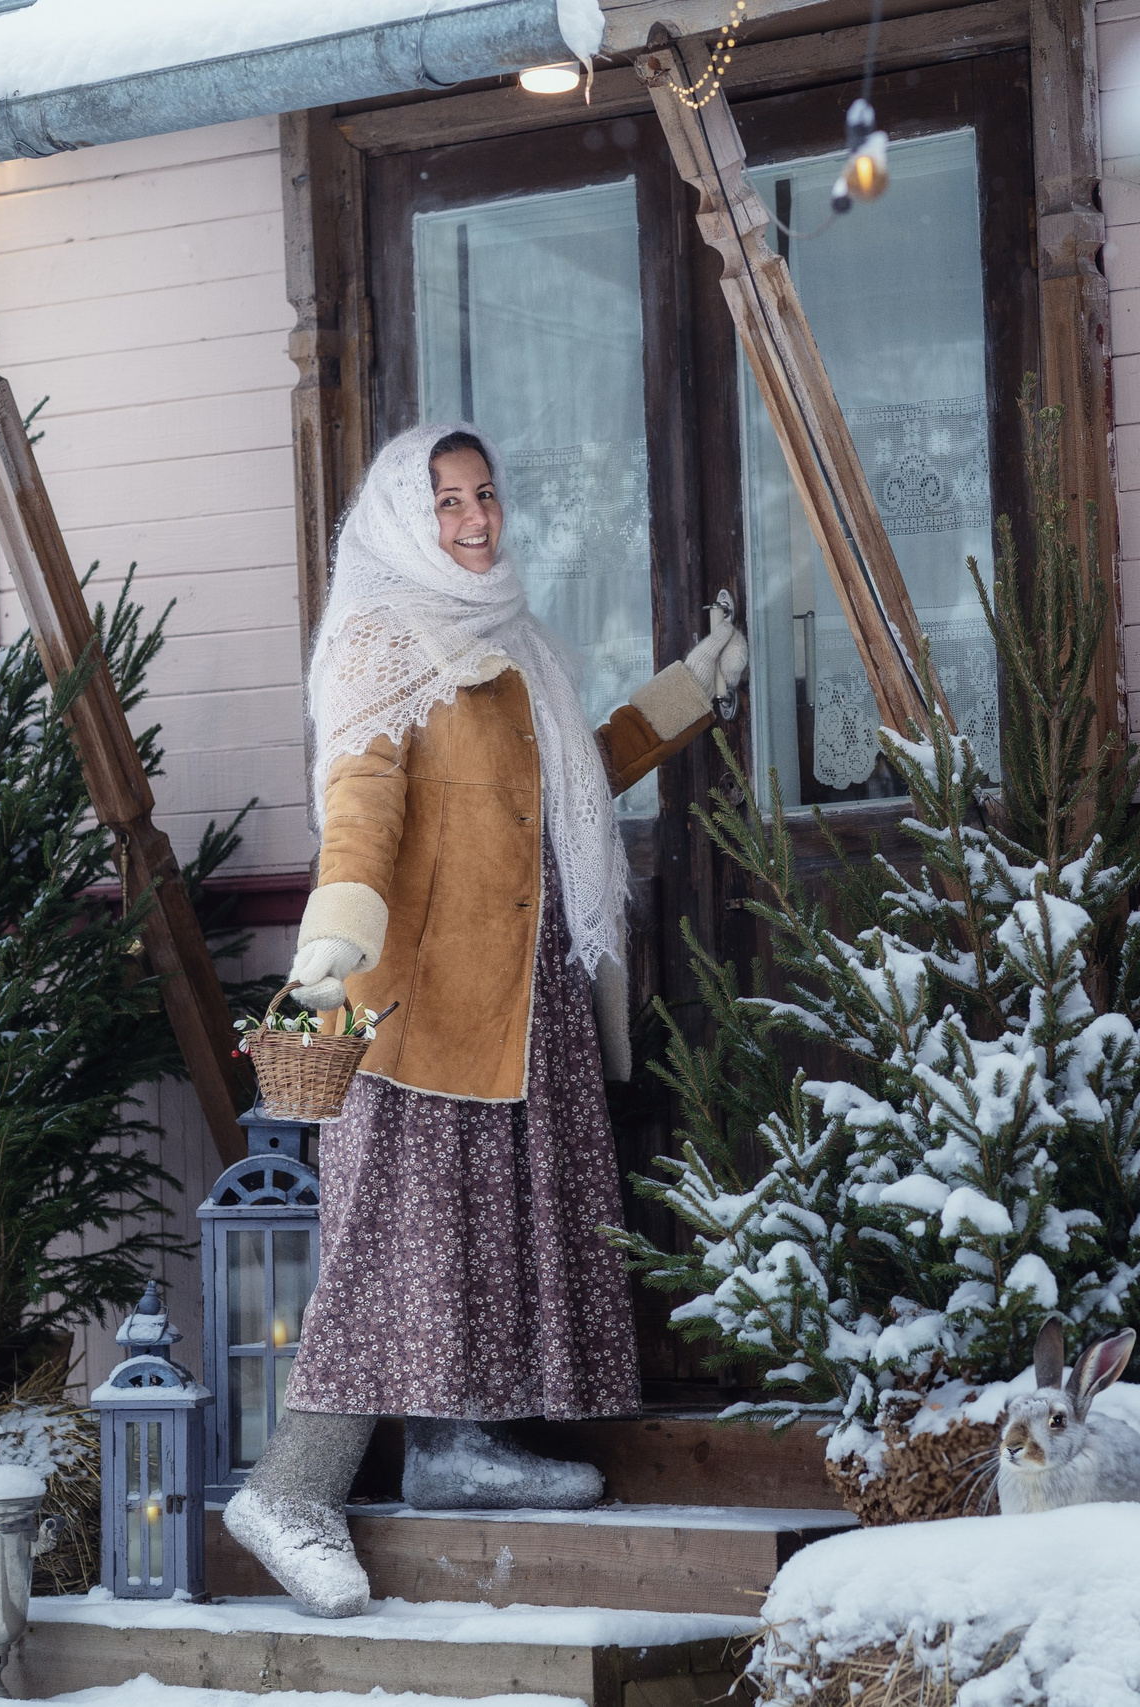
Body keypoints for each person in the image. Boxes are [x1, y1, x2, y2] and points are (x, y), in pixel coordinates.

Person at [223, 423, 747, 1616]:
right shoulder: (380, 642)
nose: (473, 518)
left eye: (486, 495)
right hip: (420, 1004)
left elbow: (574, 771)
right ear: (406, 517)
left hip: (523, 993)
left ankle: (460, 1449)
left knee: (495, 1231)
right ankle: (290, 1492)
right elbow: (361, 799)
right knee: (388, 1251)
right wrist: (335, 931)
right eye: (447, 499)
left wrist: (691, 690)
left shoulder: (511, 646)